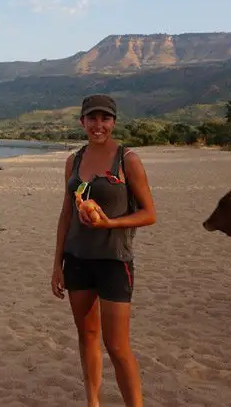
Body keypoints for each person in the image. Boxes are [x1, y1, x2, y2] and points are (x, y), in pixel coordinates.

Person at [51, 94, 157, 407]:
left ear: (113, 121)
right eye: (92, 119)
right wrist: (57, 264)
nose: (99, 125)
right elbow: (66, 214)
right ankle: (92, 402)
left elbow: (150, 213)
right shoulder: (74, 160)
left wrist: (110, 223)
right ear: (82, 122)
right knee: (87, 337)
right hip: (77, 260)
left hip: (114, 262)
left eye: (105, 119)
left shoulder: (127, 160)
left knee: (118, 346)